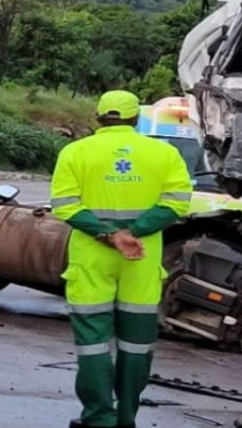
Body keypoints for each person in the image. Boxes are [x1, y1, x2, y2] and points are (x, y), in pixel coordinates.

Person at [51, 90, 192, 428]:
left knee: (93, 344)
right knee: (136, 345)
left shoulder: (75, 152)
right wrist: (135, 231)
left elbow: (65, 205)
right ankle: (126, 417)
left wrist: (110, 235)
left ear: (99, 118)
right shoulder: (164, 153)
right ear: (135, 119)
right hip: (140, 261)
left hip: (92, 260)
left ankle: (99, 417)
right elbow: (177, 203)